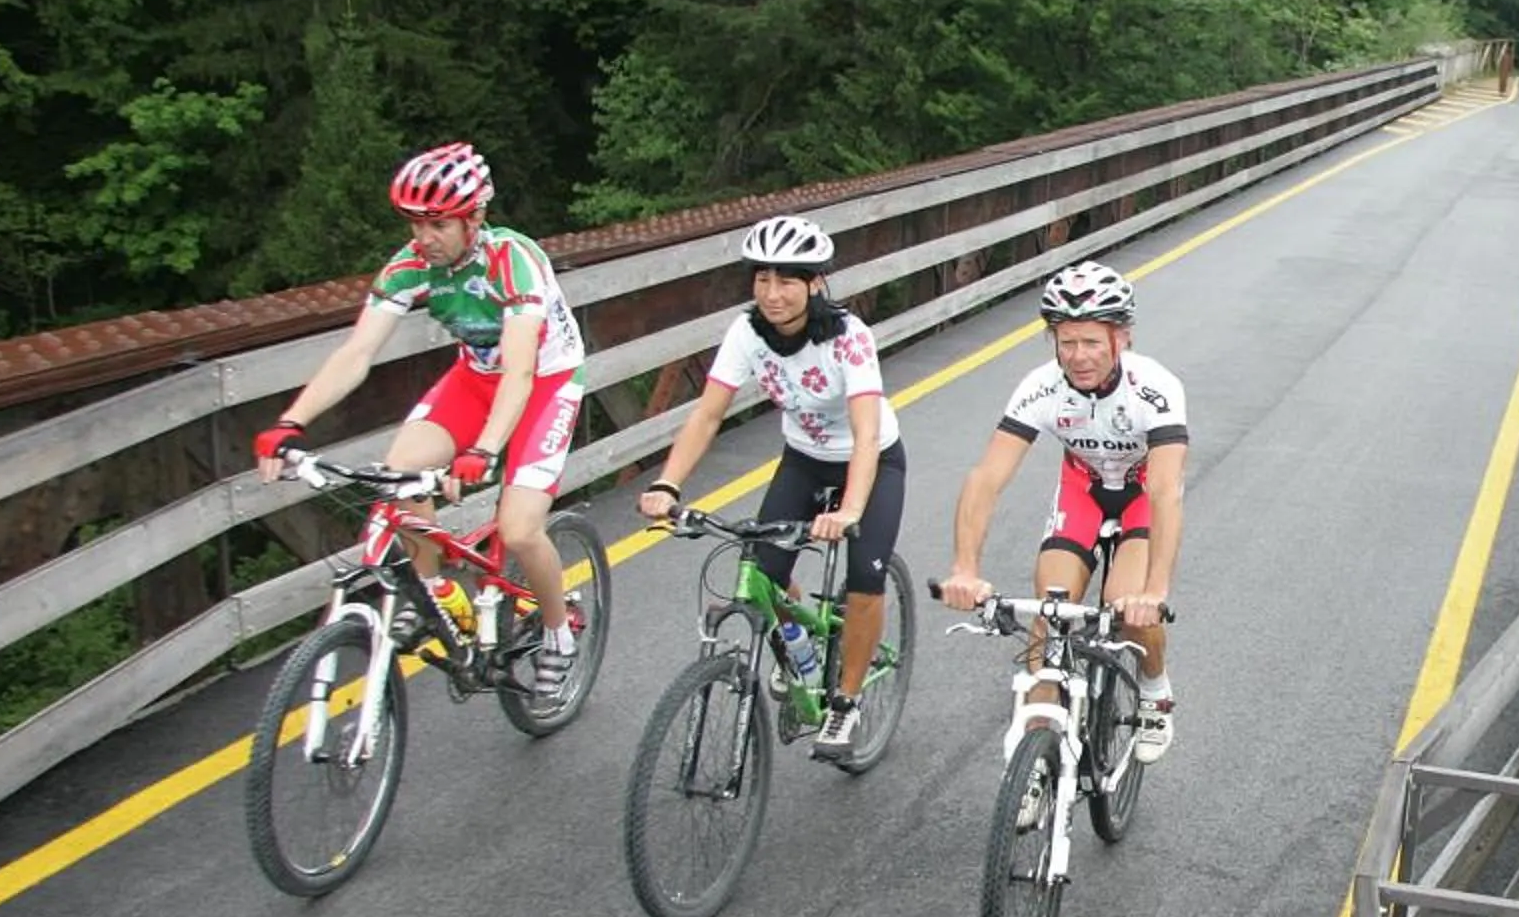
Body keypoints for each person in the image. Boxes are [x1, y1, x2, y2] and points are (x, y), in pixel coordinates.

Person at [253, 142, 587, 694]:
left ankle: (559, 632)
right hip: (475, 380)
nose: (422, 237)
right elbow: (357, 353)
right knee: (399, 471)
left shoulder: (514, 259)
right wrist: (291, 422)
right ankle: (437, 592)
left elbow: (522, 371)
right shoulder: (411, 266)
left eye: (437, 224)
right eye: (414, 223)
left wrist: (483, 449)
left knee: (521, 527)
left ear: (475, 217)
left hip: (543, 382)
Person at [636, 216, 907, 760]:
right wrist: (668, 482)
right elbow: (708, 414)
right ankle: (804, 656)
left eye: (787, 281)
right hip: (803, 460)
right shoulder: (747, 333)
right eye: (762, 279)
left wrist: (851, 508)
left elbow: (866, 429)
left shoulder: (849, 338)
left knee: (863, 578)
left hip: (870, 461)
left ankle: (847, 702)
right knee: (762, 573)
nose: (772, 294)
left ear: (815, 284)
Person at [936, 260, 1186, 763]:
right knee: (1050, 609)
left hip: (1139, 496)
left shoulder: (1156, 390)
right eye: (1066, 342)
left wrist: (1155, 591)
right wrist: (965, 568)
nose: (1078, 356)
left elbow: (1164, 493)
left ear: (1122, 338)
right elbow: (986, 478)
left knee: (1125, 605)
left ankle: (1155, 687)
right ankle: (1034, 754)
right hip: (1083, 491)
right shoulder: (1042, 386)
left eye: (1092, 342)